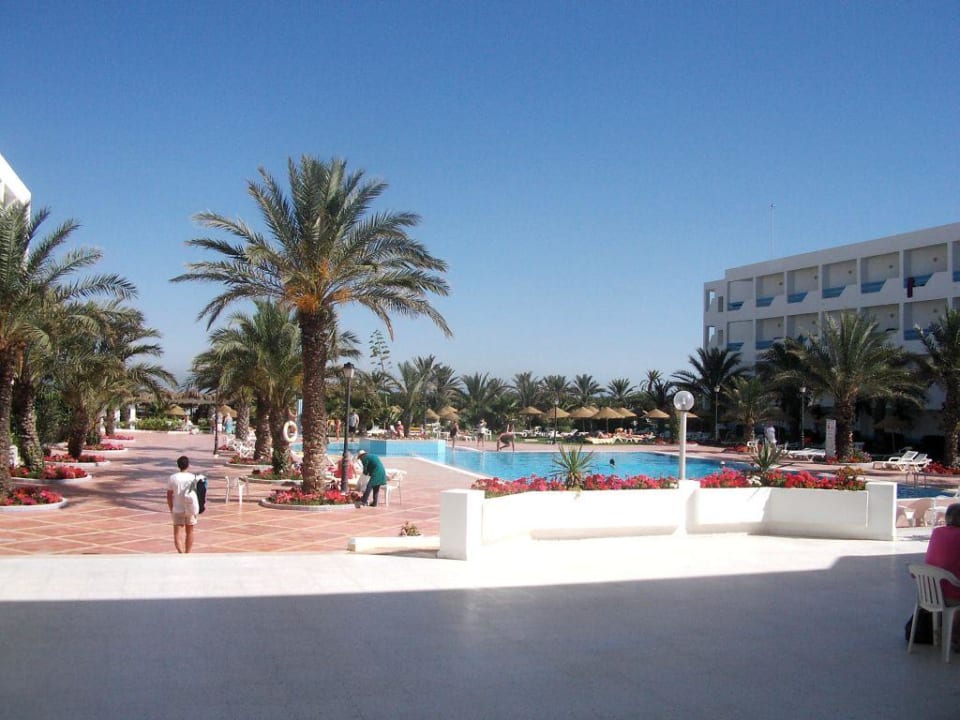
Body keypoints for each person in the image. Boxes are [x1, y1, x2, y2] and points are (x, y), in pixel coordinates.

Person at [166, 455, 199, 554]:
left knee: (177, 533)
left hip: (177, 508)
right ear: (188, 465)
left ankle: (180, 553)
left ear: (178, 465)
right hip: (190, 508)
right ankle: (187, 553)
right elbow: (196, 494)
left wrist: (171, 508)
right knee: (190, 531)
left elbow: (169, 495)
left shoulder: (172, 478)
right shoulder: (193, 477)